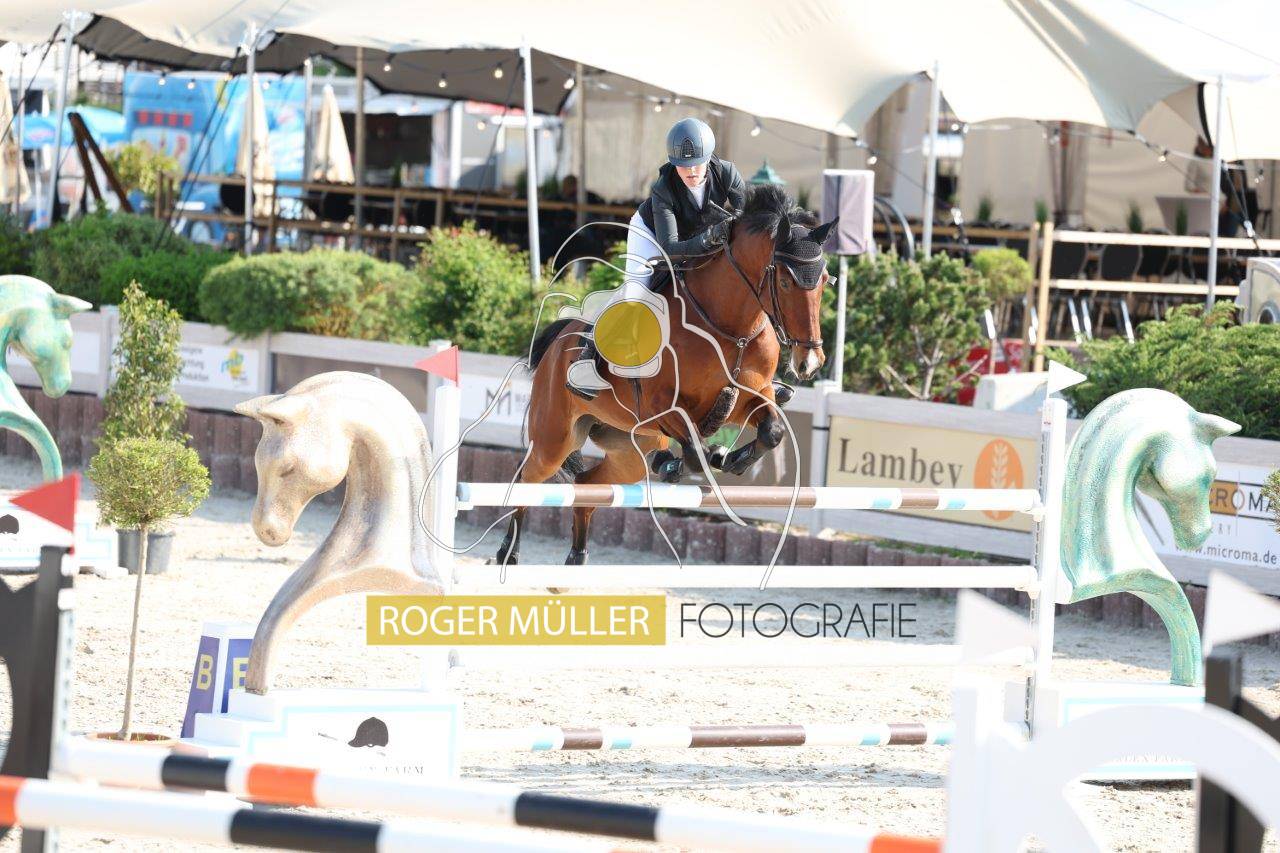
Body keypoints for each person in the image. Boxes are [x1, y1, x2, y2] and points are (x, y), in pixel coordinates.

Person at [570, 117, 757, 401]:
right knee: (635, 293)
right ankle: (589, 356)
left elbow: (750, 219)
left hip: (697, 234)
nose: (691, 171)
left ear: (708, 159)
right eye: (683, 165)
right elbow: (670, 248)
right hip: (651, 235)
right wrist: (709, 239)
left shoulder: (727, 173)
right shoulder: (664, 189)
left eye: (697, 163)